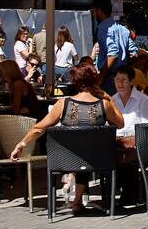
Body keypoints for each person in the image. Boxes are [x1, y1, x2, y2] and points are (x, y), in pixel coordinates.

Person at [11, 64, 124, 213]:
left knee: (80, 153)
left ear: (75, 81)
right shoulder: (104, 105)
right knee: (87, 152)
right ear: (95, 82)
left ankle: (76, 200)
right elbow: (120, 124)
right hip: (97, 160)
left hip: (65, 160)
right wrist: (110, 99)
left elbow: (39, 128)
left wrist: (21, 144)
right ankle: (77, 202)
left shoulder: (63, 104)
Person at [110, 65, 148, 138]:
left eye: (124, 80)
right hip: (116, 142)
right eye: (117, 79)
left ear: (131, 82)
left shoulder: (143, 100)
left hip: (137, 143)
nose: (120, 83)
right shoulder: (111, 101)